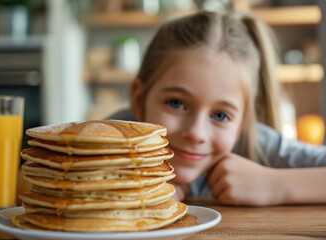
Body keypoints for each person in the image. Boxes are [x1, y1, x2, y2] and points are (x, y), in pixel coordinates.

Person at [109, 10, 326, 206]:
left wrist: (275, 185)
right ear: (138, 99)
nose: (196, 133)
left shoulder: (254, 142)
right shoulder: (109, 139)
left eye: (220, 115)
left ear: (242, 121)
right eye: (176, 103)